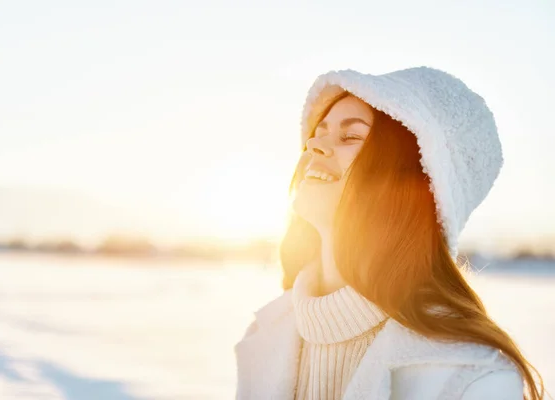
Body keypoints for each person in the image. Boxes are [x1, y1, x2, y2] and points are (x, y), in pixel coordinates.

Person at [234, 67, 546, 400]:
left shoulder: (473, 376)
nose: (314, 145)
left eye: (350, 136)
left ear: (411, 183)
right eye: (318, 132)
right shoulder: (264, 337)